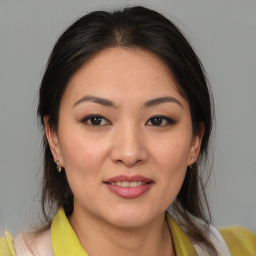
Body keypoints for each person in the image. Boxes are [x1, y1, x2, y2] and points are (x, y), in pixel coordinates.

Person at [0, 6, 255, 256]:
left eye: (157, 121)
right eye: (96, 120)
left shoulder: (244, 249)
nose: (130, 152)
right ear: (53, 138)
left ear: (195, 141)